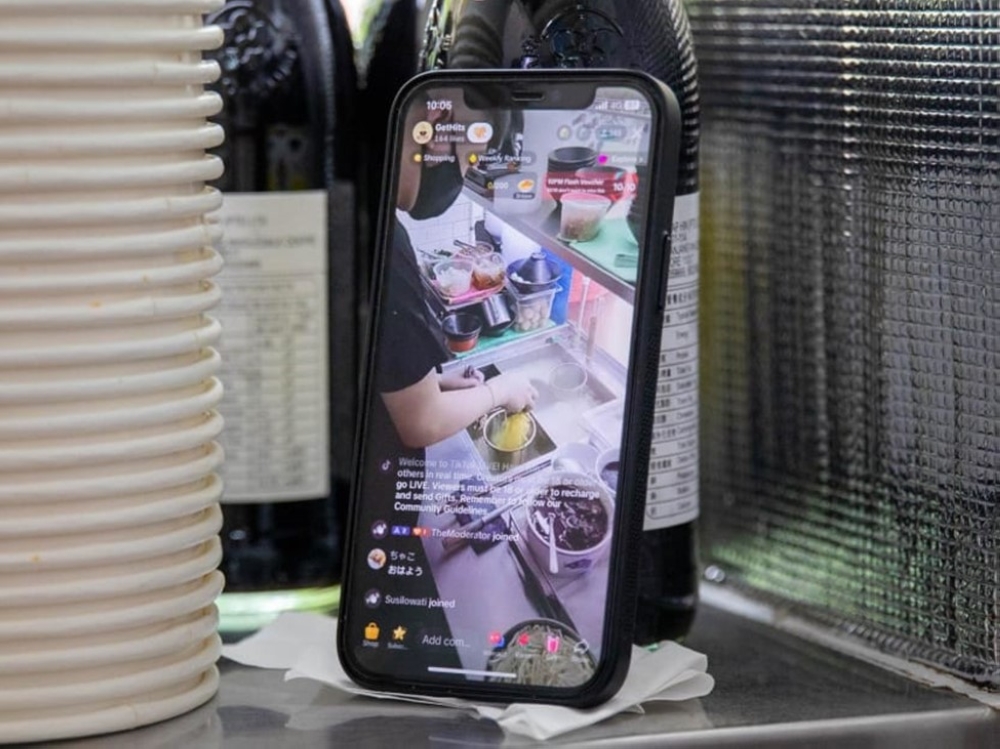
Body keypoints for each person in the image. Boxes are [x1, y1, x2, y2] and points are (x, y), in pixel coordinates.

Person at [373, 94, 537, 453]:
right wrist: (501, 390)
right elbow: (422, 423)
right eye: (469, 159)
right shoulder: (382, 242)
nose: (461, 177)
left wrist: (434, 384)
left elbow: (377, 371)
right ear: (437, 126)